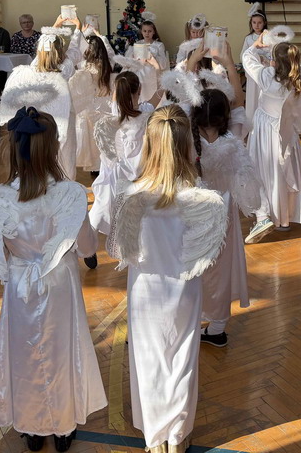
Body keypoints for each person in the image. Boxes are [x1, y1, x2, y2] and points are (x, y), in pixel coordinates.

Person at [0, 108, 106, 452]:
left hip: (19, 283)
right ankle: (62, 425)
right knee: (61, 351)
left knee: (24, 352)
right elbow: (87, 246)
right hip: (58, 282)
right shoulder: (69, 194)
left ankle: (31, 426)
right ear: (53, 148)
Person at [108, 105, 228, 453]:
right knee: (182, 359)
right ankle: (177, 435)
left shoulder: (132, 196)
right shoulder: (200, 197)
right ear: (186, 144)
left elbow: (119, 249)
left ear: (150, 145)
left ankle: (155, 437)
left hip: (146, 289)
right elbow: (208, 253)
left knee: (149, 359)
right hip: (184, 287)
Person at [191, 88, 263, 346]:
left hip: (193, 211)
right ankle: (217, 326)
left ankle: (191, 316)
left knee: (192, 266)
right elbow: (248, 182)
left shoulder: (186, 141)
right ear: (225, 116)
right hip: (223, 213)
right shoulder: (232, 143)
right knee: (220, 269)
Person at [242, 33, 301, 232]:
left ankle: (268, 214)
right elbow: (293, 66)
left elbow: (247, 59)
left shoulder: (267, 77)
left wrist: (255, 46)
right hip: (286, 132)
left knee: (266, 170)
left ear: (274, 63)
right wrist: (274, 56)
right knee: (283, 171)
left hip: (266, 132)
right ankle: (286, 218)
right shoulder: (297, 79)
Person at [0, 17, 84, 177]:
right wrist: (77, 29)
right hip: (63, 115)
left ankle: (44, 179)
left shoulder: (34, 67)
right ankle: (66, 180)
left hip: (42, 116)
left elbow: (45, 46)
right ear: (60, 50)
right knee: (66, 150)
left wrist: (55, 25)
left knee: (44, 149)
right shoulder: (64, 68)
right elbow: (74, 49)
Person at [87, 70, 161, 242]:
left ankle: (90, 239)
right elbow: (156, 97)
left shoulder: (115, 113)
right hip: (137, 172)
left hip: (114, 171)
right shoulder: (144, 114)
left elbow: (119, 98)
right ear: (139, 90)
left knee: (105, 206)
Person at [69, 34, 117, 173]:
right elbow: (111, 53)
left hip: (91, 105)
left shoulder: (85, 67)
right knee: (105, 136)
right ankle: (105, 164)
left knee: (92, 137)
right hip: (105, 104)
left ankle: (96, 167)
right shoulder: (108, 64)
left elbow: (78, 88)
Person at [242, 11, 268, 131]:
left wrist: (264, 59)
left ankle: (264, 125)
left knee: (264, 98)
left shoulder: (268, 37)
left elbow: (272, 53)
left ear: (264, 23)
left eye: (259, 23)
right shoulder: (248, 39)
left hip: (265, 72)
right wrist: (255, 58)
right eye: (254, 22)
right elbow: (243, 55)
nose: (257, 25)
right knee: (253, 98)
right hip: (253, 73)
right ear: (251, 23)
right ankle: (252, 125)